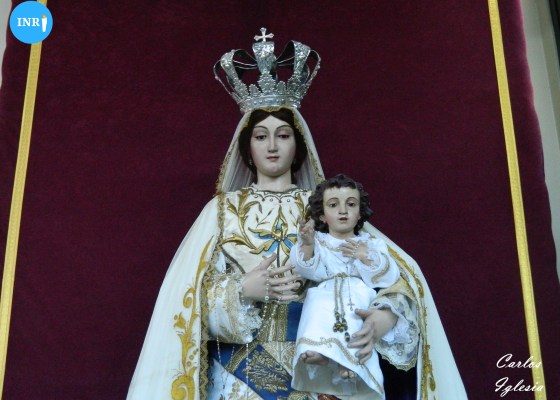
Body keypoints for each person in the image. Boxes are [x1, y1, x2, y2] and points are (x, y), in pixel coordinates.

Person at [127, 30, 467, 400]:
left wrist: (386, 315)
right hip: (240, 376)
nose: (272, 146)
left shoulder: (326, 208)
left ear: (298, 143)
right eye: (261, 136)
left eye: (283, 135)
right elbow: (186, 301)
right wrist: (241, 290)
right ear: (247, 147)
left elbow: (394, 272)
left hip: (321, 368)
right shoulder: (222, 211)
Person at [291, 174, 402, 399]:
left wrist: (365, 256)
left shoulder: (371, 243)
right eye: (333, 205)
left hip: (357, 294)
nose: (343, 211)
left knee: (354, 322)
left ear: (360, 213)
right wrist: (308, 244)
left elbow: (389, 276)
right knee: (318, 310)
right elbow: (304, 268)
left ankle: (349, 362)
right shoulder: (319, 241)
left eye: (351, 204)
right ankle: (322, 353)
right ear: (322, 215)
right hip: (326, 291)